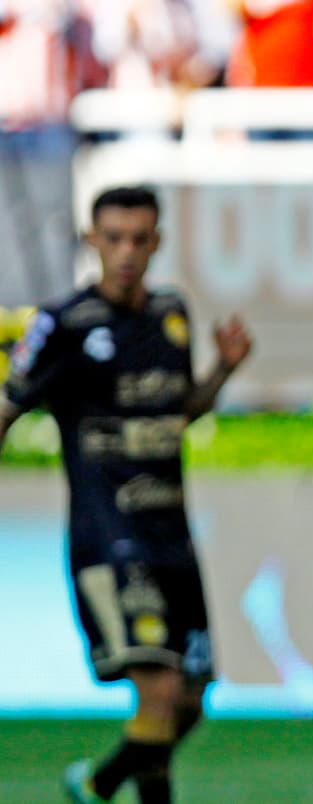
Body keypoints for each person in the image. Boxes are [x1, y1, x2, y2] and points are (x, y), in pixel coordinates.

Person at [0, 186, 252, 804]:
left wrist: (222, 371)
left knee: (191, 701)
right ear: (92, 241)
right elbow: (6, 409)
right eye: (114, 239)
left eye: (140, 239)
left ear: (157, 242)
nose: (127, 252)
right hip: (109, 536)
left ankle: (98, 782)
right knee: (159, 693)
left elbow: (177, 413)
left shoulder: (171, 313)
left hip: (173, 537)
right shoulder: (63, 325)